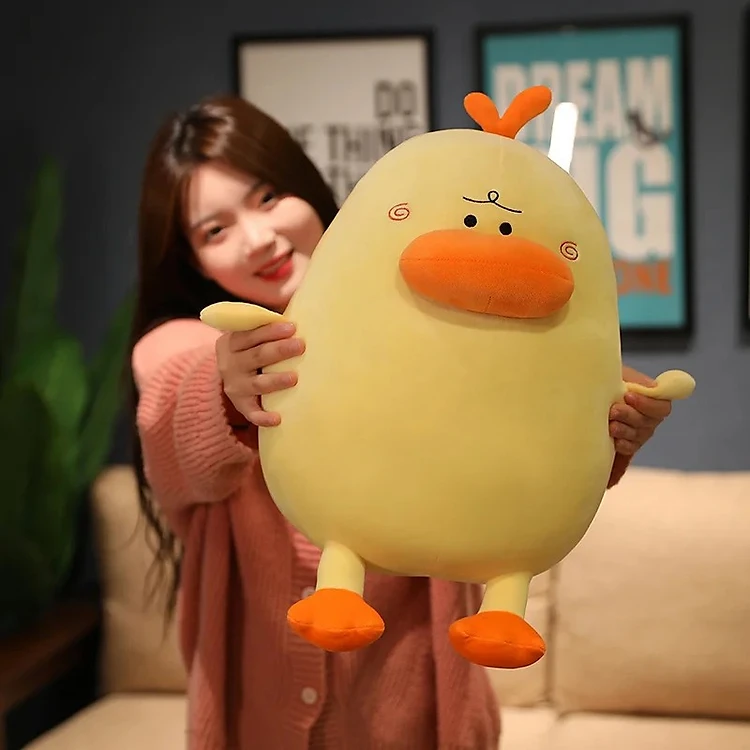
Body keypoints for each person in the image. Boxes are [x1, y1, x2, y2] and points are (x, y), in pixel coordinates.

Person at [128, 93, 672, 750]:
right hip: (254, 716)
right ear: (191, 260)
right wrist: (225, 388)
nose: (258, 237)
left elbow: (530, 408)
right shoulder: (194, 345)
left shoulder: (424, 316)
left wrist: (616, 424)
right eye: (215, 230)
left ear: (308, 187)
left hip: (417, 713)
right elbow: (171, 400)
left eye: (268, 197)